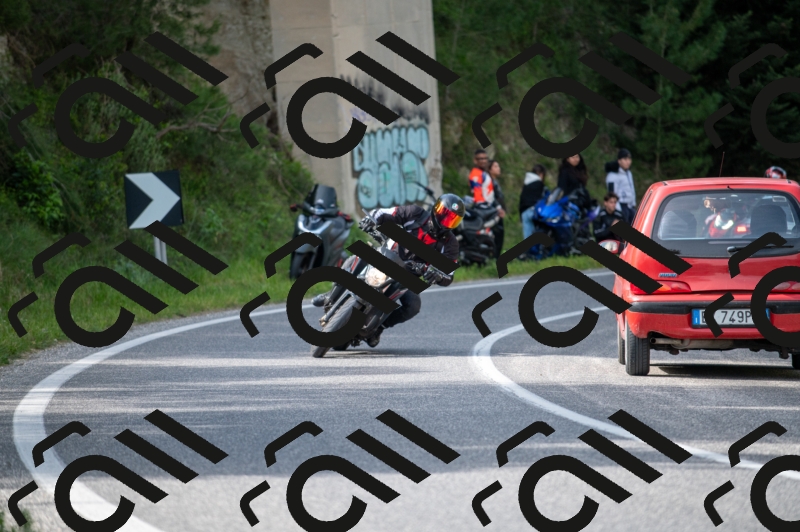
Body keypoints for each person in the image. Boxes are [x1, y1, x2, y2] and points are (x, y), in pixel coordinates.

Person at [311, 194, 464, 347]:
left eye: (451, 219)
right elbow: (385, 213)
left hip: (408, 277)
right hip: (387, 256)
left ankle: (379, 327)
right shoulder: (415, 213)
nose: (445, 221)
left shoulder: (450, 244)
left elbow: (449, 275)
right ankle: (331, 294)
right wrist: (371, 219)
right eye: (444, 214)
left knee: (413, 306)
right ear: (436, 209)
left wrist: (437, 276)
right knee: (354, 259)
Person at [469, 149, 506, 219]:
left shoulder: (485, 174)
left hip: (490, 209)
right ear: (475, 160)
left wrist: (498, 207)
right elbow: (477, 193)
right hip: (483, 211)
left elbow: (490, 194)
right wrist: (484, 207)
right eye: (481, 159)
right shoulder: (475, 174)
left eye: (485, 158)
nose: (484, 161)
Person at [605, 148, 637, 224]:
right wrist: (617, 209)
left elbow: (631, 189)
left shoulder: (628, 173)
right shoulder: (612, 175)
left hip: (630, 206)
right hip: (621, 206)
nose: (628, 162)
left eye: (629, 159)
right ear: (619, 161)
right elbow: (612, 194)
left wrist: (633, 203)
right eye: (625, 159)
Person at [520, 164, 547, 241]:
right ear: (541, 174)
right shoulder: (540, 184)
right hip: (534, 211)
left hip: (524, 212)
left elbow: (521, 199)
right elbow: (544, 198)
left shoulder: (526, 184)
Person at [487, 159, 506, 258]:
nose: (498, 168)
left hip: (497, 211)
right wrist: (498, 208)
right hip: (494, 212)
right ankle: (494, 256)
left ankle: (496, 256)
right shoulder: (489, 182)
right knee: (497, 233)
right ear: (490, 169)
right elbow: (491, 197)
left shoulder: (494, 181)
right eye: (495, 166)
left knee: (499, 234)